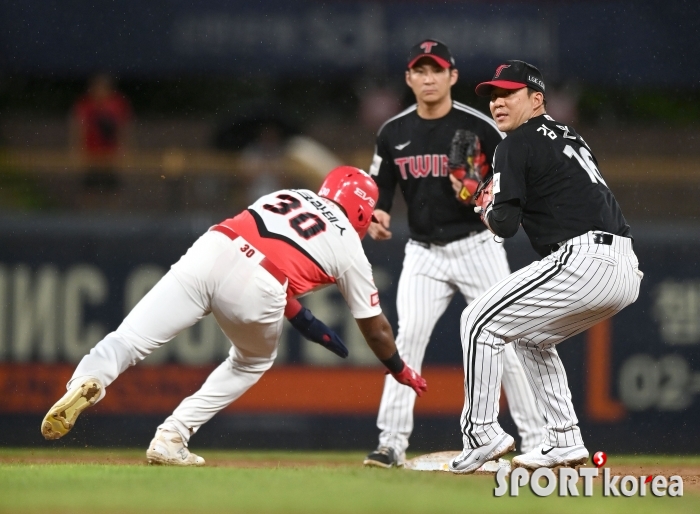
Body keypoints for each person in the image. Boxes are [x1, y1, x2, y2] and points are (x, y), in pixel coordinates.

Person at [40, 166, 428, 466]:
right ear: (364, 211)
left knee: (129, 338)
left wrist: (301, 317)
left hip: (214, 246)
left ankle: (88, 378)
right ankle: (172, 436)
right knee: (252, 361)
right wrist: (398, 368)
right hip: (259, 285)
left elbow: (267, 248)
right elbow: (375, 329)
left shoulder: (291, 193)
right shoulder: (349, 247)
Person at [447, 60, 643, 474]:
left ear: (536, 99)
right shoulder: (567, 135)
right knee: (530, 339)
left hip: (584, 259)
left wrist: (483, 204)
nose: (498, 103)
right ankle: (564, 440)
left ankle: (481, 434)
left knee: (477, 322)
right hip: (623, 267)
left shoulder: (515, 143)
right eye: (493, 96)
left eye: (509, 94)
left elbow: (504, 223)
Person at [363, 39, 544, 468]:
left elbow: (514, 174)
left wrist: (485, 190)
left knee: (508, 342)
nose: (428, 78)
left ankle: (537, 442)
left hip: (476, 247)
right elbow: (380, 189)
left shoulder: (481, 126)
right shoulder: (393, 132)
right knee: (405, 341)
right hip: (423, 252)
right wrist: (378, 215)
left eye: (436, 70)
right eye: (420, 71)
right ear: (409, 78)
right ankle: (391, 443)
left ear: (452, 76)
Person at [70, 74, 132, 199]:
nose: (99, 91)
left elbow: (124, 129)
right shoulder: (85, 105)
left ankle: (113, 217)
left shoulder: (117, 104)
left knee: (112, 190)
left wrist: (126, 150)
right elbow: (77, 129)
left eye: (103, 88)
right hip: (91, 156)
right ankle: (89, 217)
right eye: (97, 87)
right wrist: (76, 150)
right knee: (89, 190)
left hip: (111, 156)